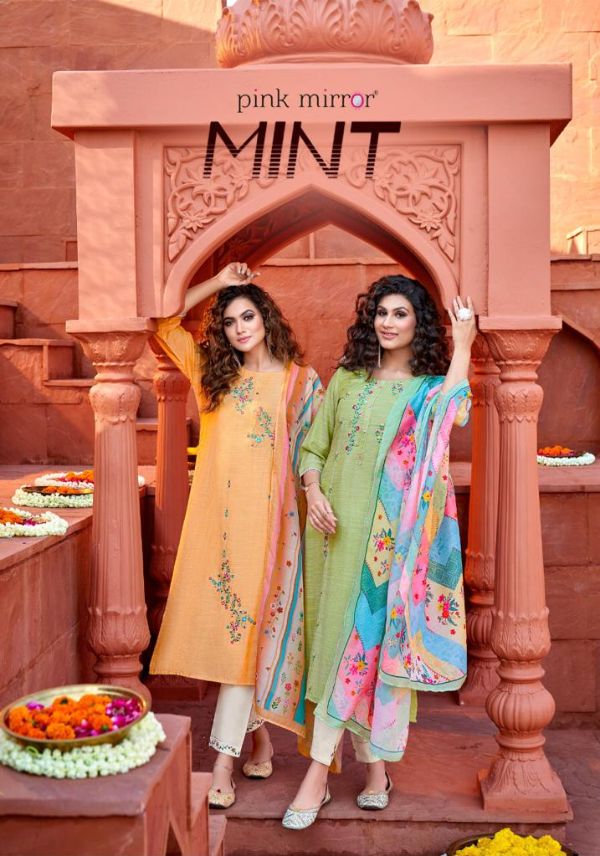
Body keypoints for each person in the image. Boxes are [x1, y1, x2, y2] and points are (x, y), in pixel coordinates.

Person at [282, 274, 475, 829]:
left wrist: (464, 344)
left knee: (364, 647)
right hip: (331, 537)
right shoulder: (347, 379)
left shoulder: (426, 388)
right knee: (340, 649)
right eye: (381, 313)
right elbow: (313, 446)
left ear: (419, 324)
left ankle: (316, 778)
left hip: (389, 545)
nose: (387, 323)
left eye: (400, 314)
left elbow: (453, 414)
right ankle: (376, 773)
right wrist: (315, 490)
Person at [149, 262, 323, 808]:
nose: (240, 328)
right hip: (220, 535)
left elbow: (315, 457)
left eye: (248, 316)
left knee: (248, 647)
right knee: (237, 646)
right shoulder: (212, 375)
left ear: (267, 319)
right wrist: (219, 284)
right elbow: (162, 322)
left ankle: (221, 765)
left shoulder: (301, 382)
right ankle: (260, 742)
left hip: (275, 537)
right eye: (229, 321)